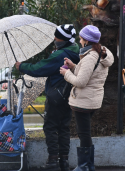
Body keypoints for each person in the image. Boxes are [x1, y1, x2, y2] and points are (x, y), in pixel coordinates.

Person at [15, 24, 80, 171]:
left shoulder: (60, 55)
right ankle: (64, 161)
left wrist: (22, 66)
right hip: (69, 96)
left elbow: (39, 69)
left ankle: (52, 162)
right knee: (64, 127)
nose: (55, 39)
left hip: (56, 95)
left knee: (50, 127)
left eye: (57, 37)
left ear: (63, 39)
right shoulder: (76, 50)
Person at [59, 25, 114, 171]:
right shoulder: (98, 53)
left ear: (86, 40)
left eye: (81, 38)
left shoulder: (91, 57)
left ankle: (84, 166)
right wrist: (73, 67)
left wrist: (66, 74)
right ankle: (88, 165)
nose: (79, 40)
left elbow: (81, 82)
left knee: (84, 134)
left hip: (84, 101)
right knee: (85, 132)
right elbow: (88, 74)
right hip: (91, 99)